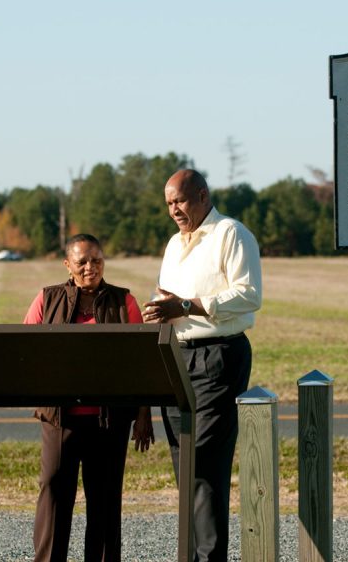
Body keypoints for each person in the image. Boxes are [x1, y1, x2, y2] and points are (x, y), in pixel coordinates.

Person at [143, 169, 262, 561]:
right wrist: (162, 310)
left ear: (202, 195)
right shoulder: (174, 244)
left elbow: (248, 294)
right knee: (184, 464)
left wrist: (189, 306)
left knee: (204, 466)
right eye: (168, 204)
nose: (174, 210)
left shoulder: (231, 234)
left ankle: (208, 557)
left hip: (218, 356)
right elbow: (172, 298)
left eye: (179, 200)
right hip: (177, 357)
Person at [24, 233, 154, 562]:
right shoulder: (47, 298)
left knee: (106, 501)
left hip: (109, 421)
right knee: (53, 493)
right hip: (60, 420)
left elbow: (142, 362)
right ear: (68, 265)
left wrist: (143, 412)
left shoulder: (124, 302)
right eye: (81, 261)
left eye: (96, 260)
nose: (89, 267)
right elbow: (26, 351)